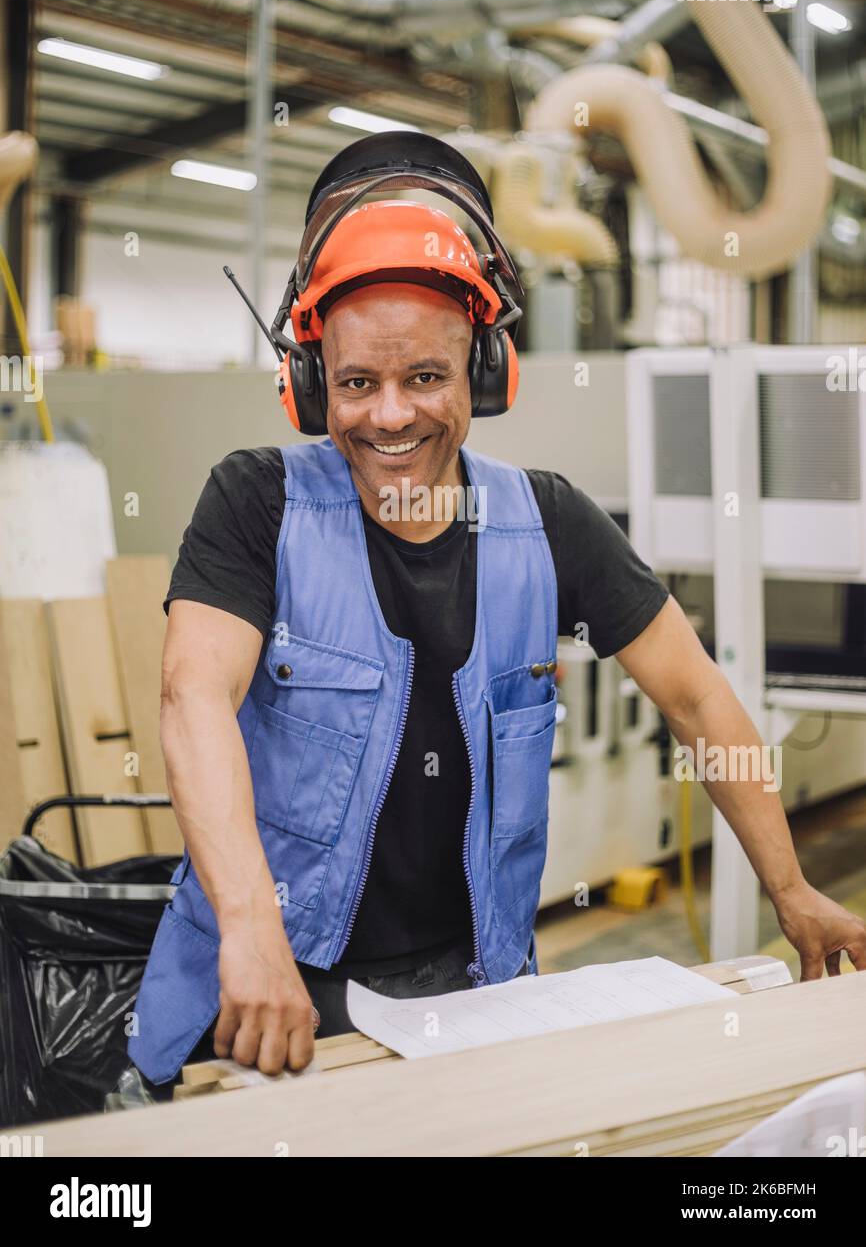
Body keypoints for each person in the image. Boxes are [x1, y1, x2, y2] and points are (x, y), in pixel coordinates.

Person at [128, 133, 866, 1090]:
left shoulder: (546, 523)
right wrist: (252, 933)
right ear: (311, 385)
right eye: (356, 382)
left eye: (425, 378)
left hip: (467, 1001)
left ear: (483, 373)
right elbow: (193, 700)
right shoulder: (256, 503)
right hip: (261, 985)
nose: (390, 415)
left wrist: (793, 889)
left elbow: (698, 700)